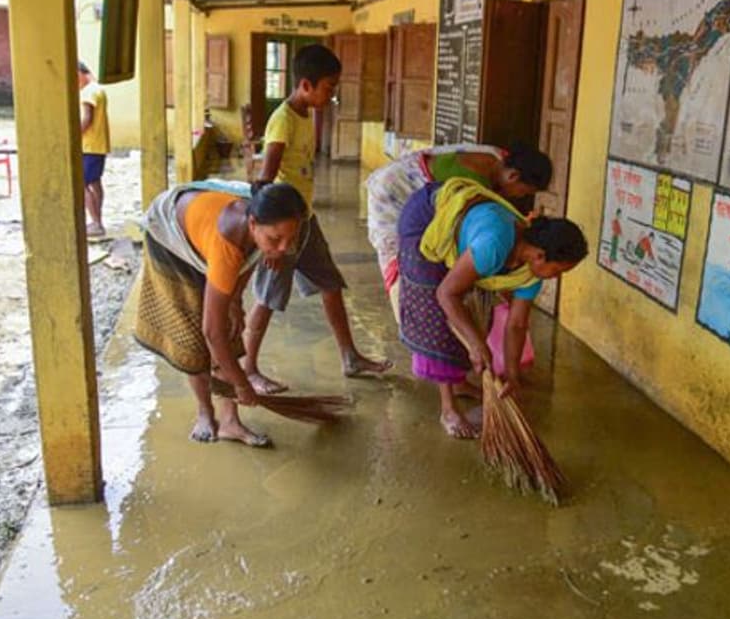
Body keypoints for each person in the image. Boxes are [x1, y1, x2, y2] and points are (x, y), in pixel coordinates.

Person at [243, 43, 391, 395]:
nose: (332, 94)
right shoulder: (282, 121)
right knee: (267, 298)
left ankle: (350, 357)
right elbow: (264, 182)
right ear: (306, 85)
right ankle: (248, 369)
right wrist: (270, 241)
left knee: (330, 285)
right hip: (284, 228)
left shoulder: (306, 114)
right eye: (329, 86)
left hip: (305, 220)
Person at [398, 178, 588, 439]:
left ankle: (460, 383)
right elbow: (446, 293)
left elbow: (517, 324)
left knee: (476, 318)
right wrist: (476, 345)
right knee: (440, 318)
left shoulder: (529, 273)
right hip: (429, 218)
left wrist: (512, 375)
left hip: (469, 241)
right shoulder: (494, 244)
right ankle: (448, 409)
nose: (555, 278)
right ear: (539, 255)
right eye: (557, 271)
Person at [134, 181, 306, 447]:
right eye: (275, 239)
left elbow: (248, 259)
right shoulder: (227, 245)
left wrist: (235, 301)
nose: (284, 247)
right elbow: (211, 332)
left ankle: (230, 422)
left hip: (207, 238)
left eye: (290, 239)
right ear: (252, 224)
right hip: (170, 238)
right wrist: (241, 384)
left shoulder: (264, 226)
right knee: (194, 337)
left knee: (230, 326)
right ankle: (205, 412)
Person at [365, 143, 554, 303]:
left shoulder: (496, 157)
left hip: (402, 176)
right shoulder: (471, 187)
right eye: (525, 192)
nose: (520, 197)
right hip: (391, 191)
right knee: (397, 255)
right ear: (513, 176)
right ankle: (405, 308)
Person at [78, 61, 110, 239]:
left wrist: (73, 137)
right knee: (95, 183)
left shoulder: (87, 92)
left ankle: (96, 223)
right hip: (98, 145)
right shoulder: (98, 89)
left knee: (81, 185)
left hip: (88, 146)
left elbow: (86, 118)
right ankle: (98, 220)